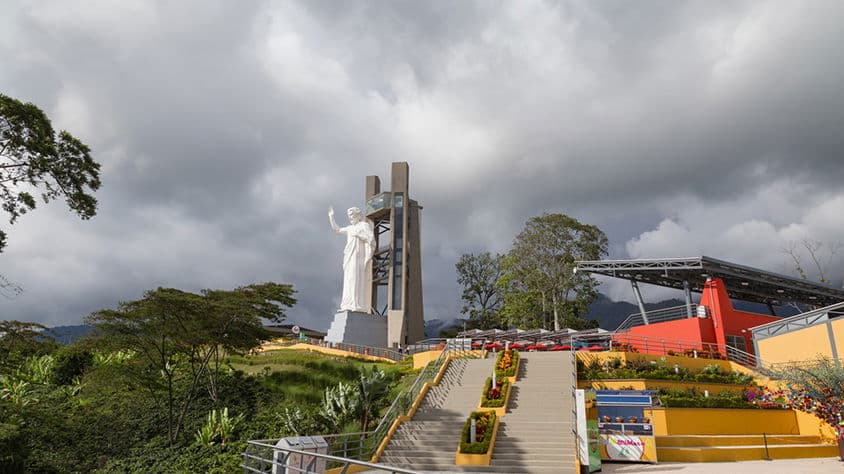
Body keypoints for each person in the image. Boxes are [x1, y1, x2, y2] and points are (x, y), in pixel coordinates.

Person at [328, 206, 375, 312]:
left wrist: (358, 234)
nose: (350, 218)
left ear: (358, 215)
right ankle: (347, 304)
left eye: (352, 215)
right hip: (349, 256)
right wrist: (331, 217)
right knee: (349, 279)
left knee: (356, 278)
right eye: (349, 216)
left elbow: (371, 238)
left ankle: (356, 304)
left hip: (358, 257)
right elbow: (337, 230)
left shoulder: (364, 225)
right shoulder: (349, 228)